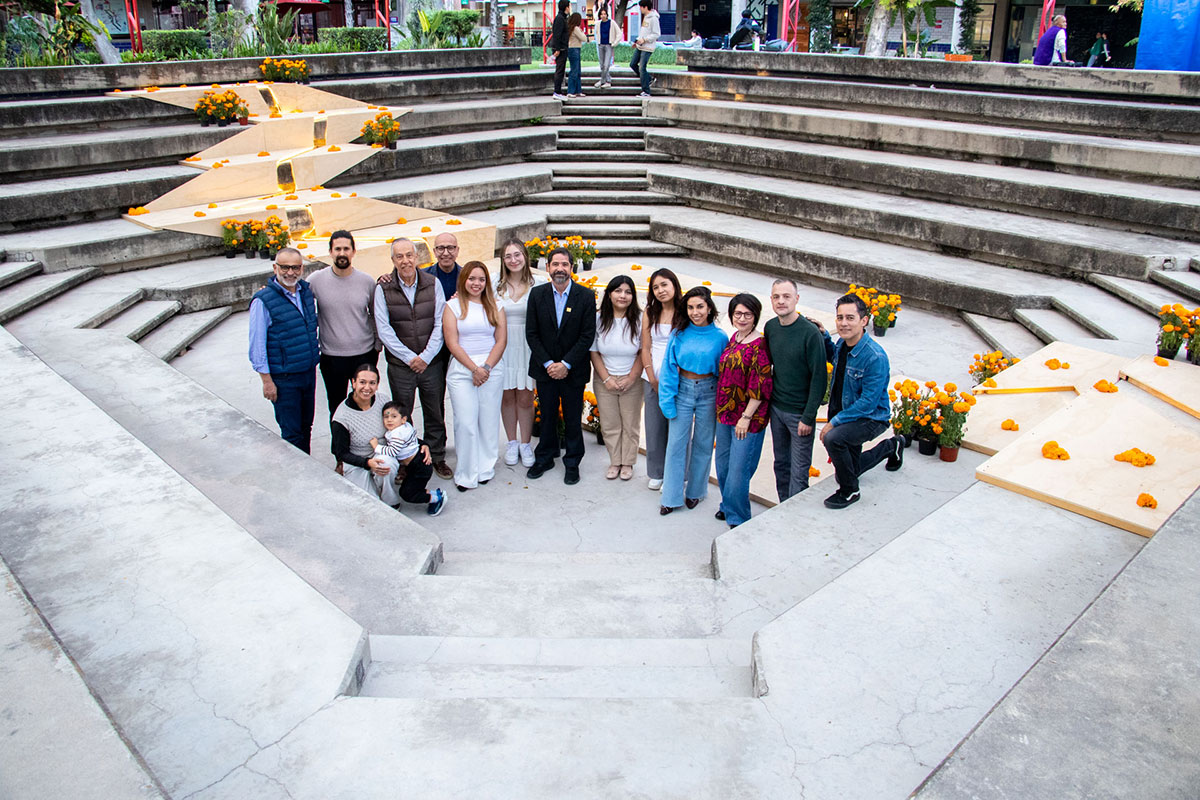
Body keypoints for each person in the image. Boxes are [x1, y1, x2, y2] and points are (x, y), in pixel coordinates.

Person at [374, 237, 454, 480]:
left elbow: (440, 322)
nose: (405, 260)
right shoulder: (382, 288)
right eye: (399, 256)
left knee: (434, 411)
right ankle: (405, 462)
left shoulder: (433, 283)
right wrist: (410, 358)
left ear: (417, 257)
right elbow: (384, 329)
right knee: (401, 414)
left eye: (409, 255)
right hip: (401, 366)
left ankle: (437, 456)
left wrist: (426, 356)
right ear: (393, 260)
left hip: (431, 363)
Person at [818, 293, 903, 510]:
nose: (844, 323)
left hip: (870, 417)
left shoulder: (875, 356)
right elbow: (833, 358)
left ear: (864, 321)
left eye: (850, 318)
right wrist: (824, 336)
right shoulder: (842, 343)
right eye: (840, 318)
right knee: (850, 470)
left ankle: (850, 492)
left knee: (834, 439)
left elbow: (868, 402)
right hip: (848, 413)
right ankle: (891, 447)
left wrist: (833, 423)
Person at [332, 363, 445, 515]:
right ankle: (372, 485)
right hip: (357, 461)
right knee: (369, 506)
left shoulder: (382, 401)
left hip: (382, 454)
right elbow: (341, 453)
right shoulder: (342, 417)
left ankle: (391, 500)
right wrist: (367, 463)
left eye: (372, 383)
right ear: (353, 383)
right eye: (362, 382)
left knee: (386, 464)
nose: (367, 388)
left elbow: (399, 429)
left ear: (378, 385)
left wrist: (422, 444)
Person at [525, 246, 597, 485]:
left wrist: (565, 363)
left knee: (573, 418)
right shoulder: (537, 295)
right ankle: (545, 457)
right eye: (555, 264)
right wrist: (549, 363)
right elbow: (532, 334)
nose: (559, 269)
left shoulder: (585, 296)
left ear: (571, 268)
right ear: (547, 268)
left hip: (573, 370)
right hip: (545, 370)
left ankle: (573, 461)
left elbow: (587, 336)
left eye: (564, 264)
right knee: (546, 416)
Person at [658, 286, 728, 515]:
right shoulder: (679, 333)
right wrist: (667, 400)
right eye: (690, 307)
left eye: (700, 307)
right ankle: (670, 497)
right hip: (683, 391)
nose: (695, 312)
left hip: (710, 391)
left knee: (703, 443)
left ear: (709, 308)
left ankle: (696, 492)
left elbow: (724, 373)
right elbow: (669, 368)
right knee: (676, 444)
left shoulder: (720, 337)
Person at [248, 246, 319, 454]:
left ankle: (310, 470)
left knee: (306, 426)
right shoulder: (263, 301)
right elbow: (257, 345)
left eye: (295, 267)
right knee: (291, 432)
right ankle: (298, 476)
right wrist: (266, 381)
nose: (290, 272)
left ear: (302, 268)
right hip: (284, 379)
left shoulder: (306, 292)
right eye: (285, 267)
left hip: (307, 373)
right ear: (274, 268)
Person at [443, 261, 507, 491]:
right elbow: (451, 341)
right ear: (464, 280)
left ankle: (485, 468)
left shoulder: (496, 306)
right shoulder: (452, 306)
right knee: (466, 422)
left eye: (481, 279)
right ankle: (466, 473)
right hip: (463, 370)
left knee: (488, 421)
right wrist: (474, 368)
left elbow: (501, 340)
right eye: (472, 279)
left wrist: (486, 368)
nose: (476, 283)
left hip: (491, 368)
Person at [763, 278, 828, 502]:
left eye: (786, 296)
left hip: (800, 414)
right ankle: (783, 508)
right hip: (777, 409)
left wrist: (808, 417)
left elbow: (819, 379)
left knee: (799, 471)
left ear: (797, 299)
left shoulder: (810, 333)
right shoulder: (771, 328)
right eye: (776, 297)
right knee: (781, 464)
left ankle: (794, 517)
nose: (781, 301)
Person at [307, 230, 377, 431]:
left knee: (366, 405)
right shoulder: (316, 281)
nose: (342, 253)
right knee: (336, 408)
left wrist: (377, 346)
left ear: (354, 252)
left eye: (346, 248)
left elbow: (375, 315)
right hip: (332, 357)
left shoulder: (366, 281)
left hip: (364, 355)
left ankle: (367, 450)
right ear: (330, 252)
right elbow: (294, 294)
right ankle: (341, 456)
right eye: (337, 249)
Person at [714, 293, 772, 528]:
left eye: (748, 314)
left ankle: (738, 517)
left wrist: (746, 417)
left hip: (748, 417)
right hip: (725, 412)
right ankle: (727, 504)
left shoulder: (760, 344)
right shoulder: (735, 338)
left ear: (755, 316)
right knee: (723, 464)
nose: (742, 318)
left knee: (739, 467)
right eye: (738, 313)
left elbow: (761, 384)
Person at [590, 275, 644, 481]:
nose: (623, 296)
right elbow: (594, 351)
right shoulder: (598, 318)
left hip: (632, 378)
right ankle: (615, 460)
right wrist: (606, 379)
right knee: (610, 423)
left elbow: (642, 351)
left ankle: (628, 462)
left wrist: (631, 377)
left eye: (628, 292)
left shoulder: (640, 319)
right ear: (609, 294)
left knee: (630, 422)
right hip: (605, 378)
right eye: (618, 291)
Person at [496, 239, 542, 468]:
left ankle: (526, 443)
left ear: (525, 256)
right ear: (503, 260)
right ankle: (511, 442)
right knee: (506, 395)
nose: (513, 260)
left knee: (525, 395)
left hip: (528, 345)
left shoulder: (539, 283)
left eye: (517, 255)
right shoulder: (494, 285)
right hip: (502, 345)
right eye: (508, 256)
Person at [640, 267, 684, 490]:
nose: (660, 290)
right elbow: (645, 347)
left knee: (679, 428)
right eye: (655, 287)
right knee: (654, 426)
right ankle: (656, 472)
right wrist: (651, 376)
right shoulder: (650, 312)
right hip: (653, 379)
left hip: (680, 380)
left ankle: (680, 474)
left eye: (664, 284)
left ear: (674, 285)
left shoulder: (686, 310)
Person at [370, 401, 420, 472]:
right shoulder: (405, 426)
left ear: (403, 419)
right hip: (415, 457)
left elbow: (392, 451)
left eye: (394, 416)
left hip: (415, 464)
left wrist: (376, 446)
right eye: (386, 417)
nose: (389, 420)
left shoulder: (398, 434)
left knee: (411, 483)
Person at [630, 0, 659, 98]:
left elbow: (656, 34)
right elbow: (643, 32)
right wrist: (638, 41)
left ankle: (646, 91)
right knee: (633, 64)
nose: (640, 9)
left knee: (642, 68)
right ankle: (649, 79)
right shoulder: (646, 17)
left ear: (645, 7)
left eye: (641, 7)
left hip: (648, 47)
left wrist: (645, 39)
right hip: (640, 45)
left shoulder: (654, 19)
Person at [424, 232, 461, 302]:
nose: (446, 253)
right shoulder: (422, 276)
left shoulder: (467, 276)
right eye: (441, 248)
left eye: (450, 248)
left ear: (457, 250)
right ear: (434, 252)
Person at [593, 7, 619, 89]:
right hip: (601, 45)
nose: (603, 16)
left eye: (604, 14)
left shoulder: (612, 23)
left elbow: (619, 33)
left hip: (608, 45)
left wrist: (614, 43)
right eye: (602, 14)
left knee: (606, 64)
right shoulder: (597, 24)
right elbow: (597, 34)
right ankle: (606, 81)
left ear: (607, 15)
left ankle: (603, 81)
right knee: (602, 65)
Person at [550, 0, 571, 100]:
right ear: (566, 7)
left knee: (561, 70)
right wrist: (557, 49)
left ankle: (558, 91)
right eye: (569, 6)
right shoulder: (559, 19)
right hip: (560, 49)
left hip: (563, 48)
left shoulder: (563, 18)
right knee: (559, 70)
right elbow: (557, 35)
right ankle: (557, 91)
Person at [567, 12, 587, 98]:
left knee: (577, 70)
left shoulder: (571, 28)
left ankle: (578, 90)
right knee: (575, 71)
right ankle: (571, 91)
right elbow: (584, 38)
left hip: (573, 49)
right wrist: (582, 32)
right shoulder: (576, 28)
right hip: (574, 49)